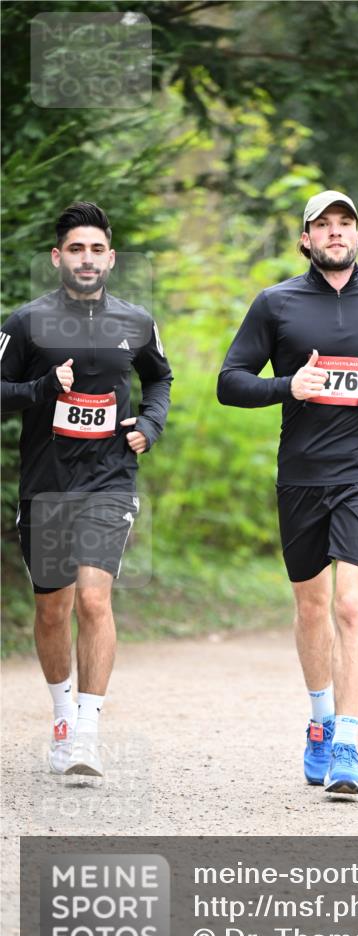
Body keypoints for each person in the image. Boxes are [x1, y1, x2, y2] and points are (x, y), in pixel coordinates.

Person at [217, 190, 358, 795]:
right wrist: (289, 386)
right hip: (301, 473)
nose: (335, 232)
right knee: (312, 607)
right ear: (306, 239)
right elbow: (230, 382)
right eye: (323, 225)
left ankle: (347, 742)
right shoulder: (276, 304)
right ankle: (319, 721)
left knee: (350, 606)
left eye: (345, 223)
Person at [1, 202, 173, 778]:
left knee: (94, 600)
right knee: (53, 610)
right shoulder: (26, 323)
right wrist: (42, 388)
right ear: (58, 257)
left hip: (110, 478)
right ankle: (61, 717)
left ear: (112, 259)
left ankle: (88, 733)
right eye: (76, 249)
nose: (87, 258)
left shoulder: (136, 321)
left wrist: (150, 424)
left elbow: (160, 378)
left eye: (97, 249)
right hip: (47, 484)